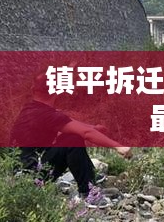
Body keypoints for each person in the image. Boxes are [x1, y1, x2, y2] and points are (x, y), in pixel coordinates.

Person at [11, 74, 132, 203]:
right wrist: (118, 146)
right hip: (34, 175)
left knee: (68, 137)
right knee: (73, 140)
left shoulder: (30, 109)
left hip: (20, 173)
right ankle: (88, 193)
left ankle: (91, 177)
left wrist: (93, 127)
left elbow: (69, 123)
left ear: (32, 89)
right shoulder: (47, 115)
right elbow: (85, 133)